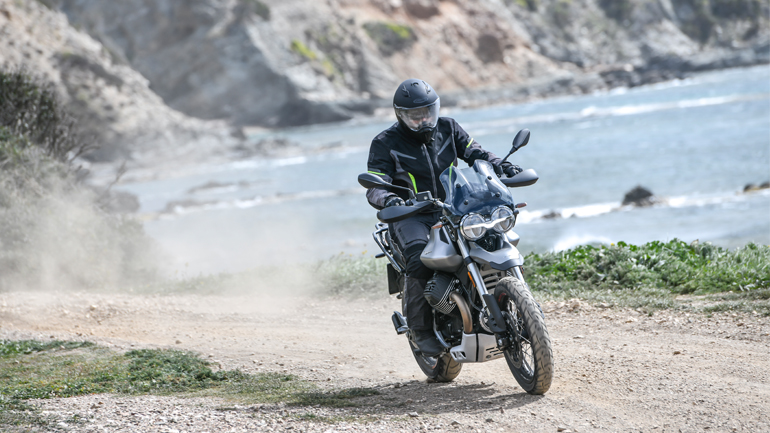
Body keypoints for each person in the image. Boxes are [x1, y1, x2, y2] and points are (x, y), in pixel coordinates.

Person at [365, 78, 521, 356]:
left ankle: (511, 303)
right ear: (400, 115)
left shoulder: (449, 127)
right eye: (415, 116)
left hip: (454, 207)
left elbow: (477, 153)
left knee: (494, 237)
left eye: (428, 112)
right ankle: (420, 330)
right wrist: (390, 199)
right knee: (419, 258)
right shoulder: (384, 143)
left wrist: (501, 165)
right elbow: (375, 185)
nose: (424, 120)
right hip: (411, 215)